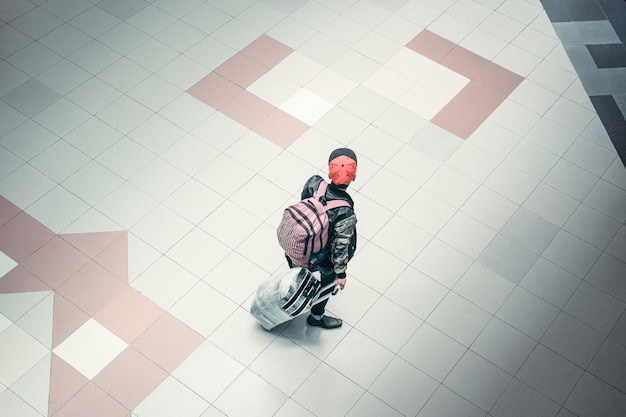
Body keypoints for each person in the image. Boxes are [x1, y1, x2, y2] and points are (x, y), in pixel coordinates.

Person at [288, 148, 358, 329]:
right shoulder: (345, 211)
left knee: (300, 269)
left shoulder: (313, 183)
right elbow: (340, 249)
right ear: (354, 177)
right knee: (327, 281)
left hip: (301, 244)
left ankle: (297, 285)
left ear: (329, 172)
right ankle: (316, 317)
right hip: (324, 258)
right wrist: (341, 274)